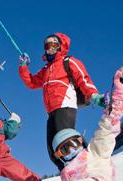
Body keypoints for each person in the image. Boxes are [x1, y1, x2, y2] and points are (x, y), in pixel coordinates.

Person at [18, 33, 108, 170]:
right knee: (53, 150)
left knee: (66, 144)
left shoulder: (68, 62)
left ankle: (85, 166)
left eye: (54, 44)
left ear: (61, 46)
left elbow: (83, 79)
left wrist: (94, 96)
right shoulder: (46, 70)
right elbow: (31, 82)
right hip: (51, 112)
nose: (50, 48)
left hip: (65, 106)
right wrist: (24, 66)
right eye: (47, 45)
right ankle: (67, 173)